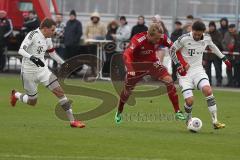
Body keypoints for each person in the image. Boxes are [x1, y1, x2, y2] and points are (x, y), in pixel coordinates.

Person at [10, 18, 85, 128]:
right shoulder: (33, 35)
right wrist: (33, 58)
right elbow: (21, 50)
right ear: (45, 29)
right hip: (28, 72)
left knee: (60, 92)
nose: (54, 32)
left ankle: (73, 121)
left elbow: (52, 53)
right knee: (32, 101)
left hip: (42, 70)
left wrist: (64, 63)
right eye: (52, 30)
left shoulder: (48, 38)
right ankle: (15, 95)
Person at [114, 24, 187, 124]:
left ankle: (178, 111)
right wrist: (130, 68)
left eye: (159, 38)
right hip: (137, 66)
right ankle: (119, 111)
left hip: (152, 63)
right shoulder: (138, 39)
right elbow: (127, 54)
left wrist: (181, 63)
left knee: (169, 81)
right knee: (127, 90)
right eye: (156, 39)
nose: (158, 41)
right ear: (149, 35)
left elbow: (175, 48)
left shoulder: (162, 37)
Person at [169, 21, 232, 129]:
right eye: (195, 34)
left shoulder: (207, 38)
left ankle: (215, 121)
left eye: (199, 34)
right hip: (185, 74)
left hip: (198, 71)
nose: (197, 36)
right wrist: (179, 65)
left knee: (208, 90)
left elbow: (213, 47)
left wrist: (224, 58)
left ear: (203, 32)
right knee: (190, 101)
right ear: (192, 30)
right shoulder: (184, 38)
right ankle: (188, 118)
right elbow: (172, 50)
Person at [205, 21, 223, 86]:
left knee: (217, 69)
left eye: (212, 26)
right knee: (207, 69)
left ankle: (219, 81)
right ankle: (208, 81)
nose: (211, 28)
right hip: (208, 55)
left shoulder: (218, 33)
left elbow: (220, 43)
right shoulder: (206, 34)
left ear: (214, 27)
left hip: (216, 55)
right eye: (210, 26)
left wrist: (211, 46)